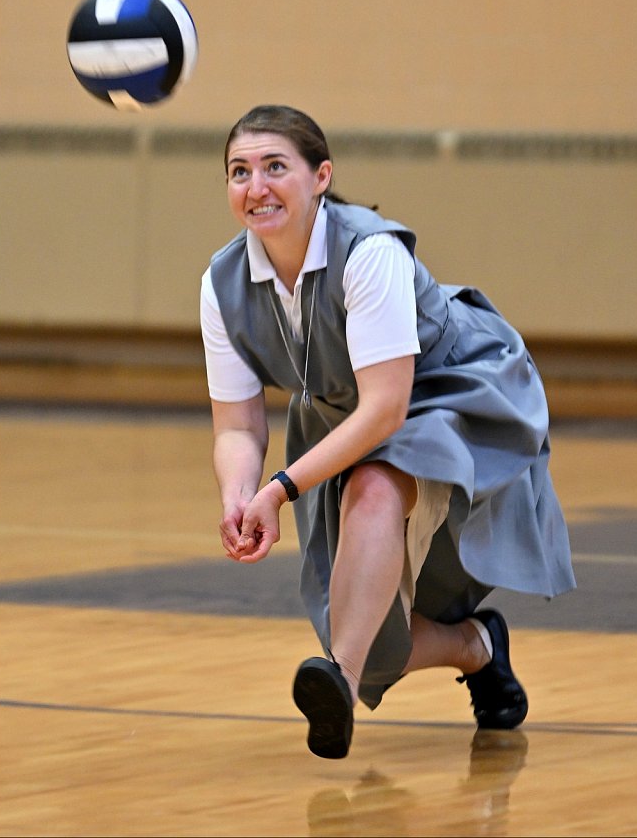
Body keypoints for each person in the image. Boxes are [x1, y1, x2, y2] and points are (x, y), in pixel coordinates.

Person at [200, 104, 576, 760]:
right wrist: (238, 493)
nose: (255, 185)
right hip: (351, 415)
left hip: (449, 388)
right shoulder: (222, 283)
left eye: (274, 167)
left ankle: (337, 684)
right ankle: (475, 646)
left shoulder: (367, 251)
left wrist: (281, 489)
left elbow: (385, 411)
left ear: (321, 176)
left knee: (374, 485)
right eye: (239, 171)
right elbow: (237, 421)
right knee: (372, 644)